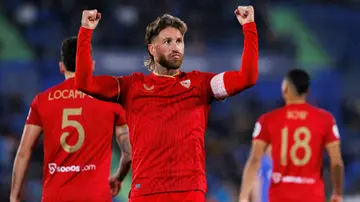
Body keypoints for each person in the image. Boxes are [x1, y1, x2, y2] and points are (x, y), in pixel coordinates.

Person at [75, 6, 258, 202]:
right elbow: (85, 83)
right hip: (146, 192)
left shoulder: (201, 84)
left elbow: (246, 77)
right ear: (152, 49)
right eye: (167, 42)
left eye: (179, 41)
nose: (175, 47)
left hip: (189, 191)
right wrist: (86, 30)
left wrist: (249, 27)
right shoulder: (132, 86)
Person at [10, 37, 132, 202]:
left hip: (56, 196)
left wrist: (14, 196)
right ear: (92, 64)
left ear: (61, 67)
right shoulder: (109, 98)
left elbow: (24, 152)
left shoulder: (42, 101)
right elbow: (128, 153)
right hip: (95, 197)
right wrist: (118, 177)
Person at [238, 69, 344, 202]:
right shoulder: (326, 120)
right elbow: (336, 162)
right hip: (312, 196)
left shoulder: (268, 120)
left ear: (285, 88)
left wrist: (243, 197)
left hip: (281, 196)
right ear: (308, 91)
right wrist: (338, 193)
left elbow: (254, 161)